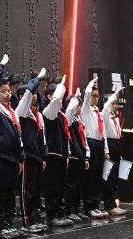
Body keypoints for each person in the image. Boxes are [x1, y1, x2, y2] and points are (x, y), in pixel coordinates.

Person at [0, 56, 27, 239]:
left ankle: (9, 223)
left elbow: (19, 138)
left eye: (9, 91)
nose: (8, 94)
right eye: (4, 91)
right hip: (0, 157)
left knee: (10, 193)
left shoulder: (12, 112)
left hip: (13, 158)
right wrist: (1, 66)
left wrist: (21, 158)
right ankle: (0, 226)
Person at [18, 69, 49, 235]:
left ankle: (35, 218)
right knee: (27, 191)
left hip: (37, 156)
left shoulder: (38, 114)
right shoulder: (21, 112)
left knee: (36, 191)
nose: (34, 96)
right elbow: (27, 95)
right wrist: (37, 79)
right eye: (31, 94)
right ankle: (28, 221)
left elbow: (42, 138)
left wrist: (44, 156)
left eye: (36, 94)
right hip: (28, 156)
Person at [41, 78, 73, 228]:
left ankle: (60, 213)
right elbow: (55, 102)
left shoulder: (61, 114)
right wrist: (61, 86)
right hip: (52, 155)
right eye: (56, 94)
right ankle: (51, 216)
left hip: (62, 155)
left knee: (61, 186)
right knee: (52, 187)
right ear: (49, 96)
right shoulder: (48, 111)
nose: (60, 98)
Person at [81, 77, 109, 220]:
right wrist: (90, 84)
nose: (96, 99)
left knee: (98, 176)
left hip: (99, 144)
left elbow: (104, 132)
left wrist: (106, 149)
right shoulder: (85, 110)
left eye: (97, 96)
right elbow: (86, 95)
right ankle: (89, 206)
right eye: (94, 96)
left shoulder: (99, 112)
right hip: (90, 143)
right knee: (90, 177)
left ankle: (96, 205)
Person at [64, 88, 90, 225]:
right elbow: (69, 110)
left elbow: (84, 139)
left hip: (80, 156)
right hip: (73, 156)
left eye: (80, 105)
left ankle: (77, 209)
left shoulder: (79, 120)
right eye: (77, 105)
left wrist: (86, 157)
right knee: (71, 185)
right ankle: (70, 210)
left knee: (79, 185)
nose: (79, 108)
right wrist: (75, 98)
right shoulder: (68, 119)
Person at [102, 87, 127, 217]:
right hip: (110, 144)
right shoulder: (105, 116)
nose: (115, 106)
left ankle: (113, 203)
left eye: (116, 103)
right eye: (113, 103)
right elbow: (106, 108)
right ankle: (109, 204)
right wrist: (115, 94)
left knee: (116, 176)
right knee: (110, 176)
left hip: (117, 144)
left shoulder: (115, 117)